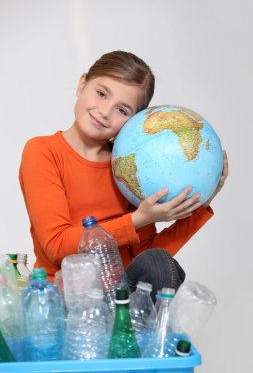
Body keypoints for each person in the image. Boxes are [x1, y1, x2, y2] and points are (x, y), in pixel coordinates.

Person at [19, 50, 228, 298]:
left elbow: (149, 259)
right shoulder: (43, 152)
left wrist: (200, 207)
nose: (105, 111)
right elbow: (56, 245)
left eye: (122, 110)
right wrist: (137, 220)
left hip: (119, 300)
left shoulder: (131, 168)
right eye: (101, 93)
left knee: (159, 263)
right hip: (66, 301)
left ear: (133, 121)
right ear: (81, 83)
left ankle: (133, 331)